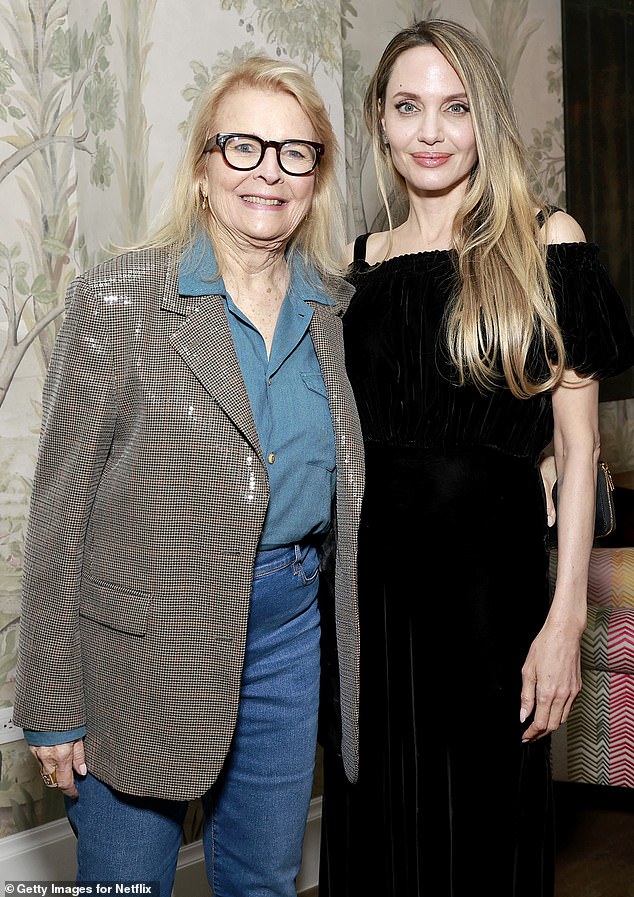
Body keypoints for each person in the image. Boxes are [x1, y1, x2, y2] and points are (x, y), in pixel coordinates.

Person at [13, 55, 364, 897]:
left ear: (316, 176)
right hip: (142, 649)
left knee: (262, 880)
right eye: (241, 147)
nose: (268, 172)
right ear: (204, 169)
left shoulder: (334, 308)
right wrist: (52, 699)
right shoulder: (119, 298)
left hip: (289, 639)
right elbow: (58, 515)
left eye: (295, 152)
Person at [318, 19, 634, 897]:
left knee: (484, 828)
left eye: (454, 107)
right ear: (378, 120)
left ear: (483, 119)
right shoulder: (359, 266)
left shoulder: (545, 242)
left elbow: (577, 452)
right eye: (408, 106)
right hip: (368, 597)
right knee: (376, 825)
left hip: (492, 595)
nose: (430, 130)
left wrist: (566, 622)